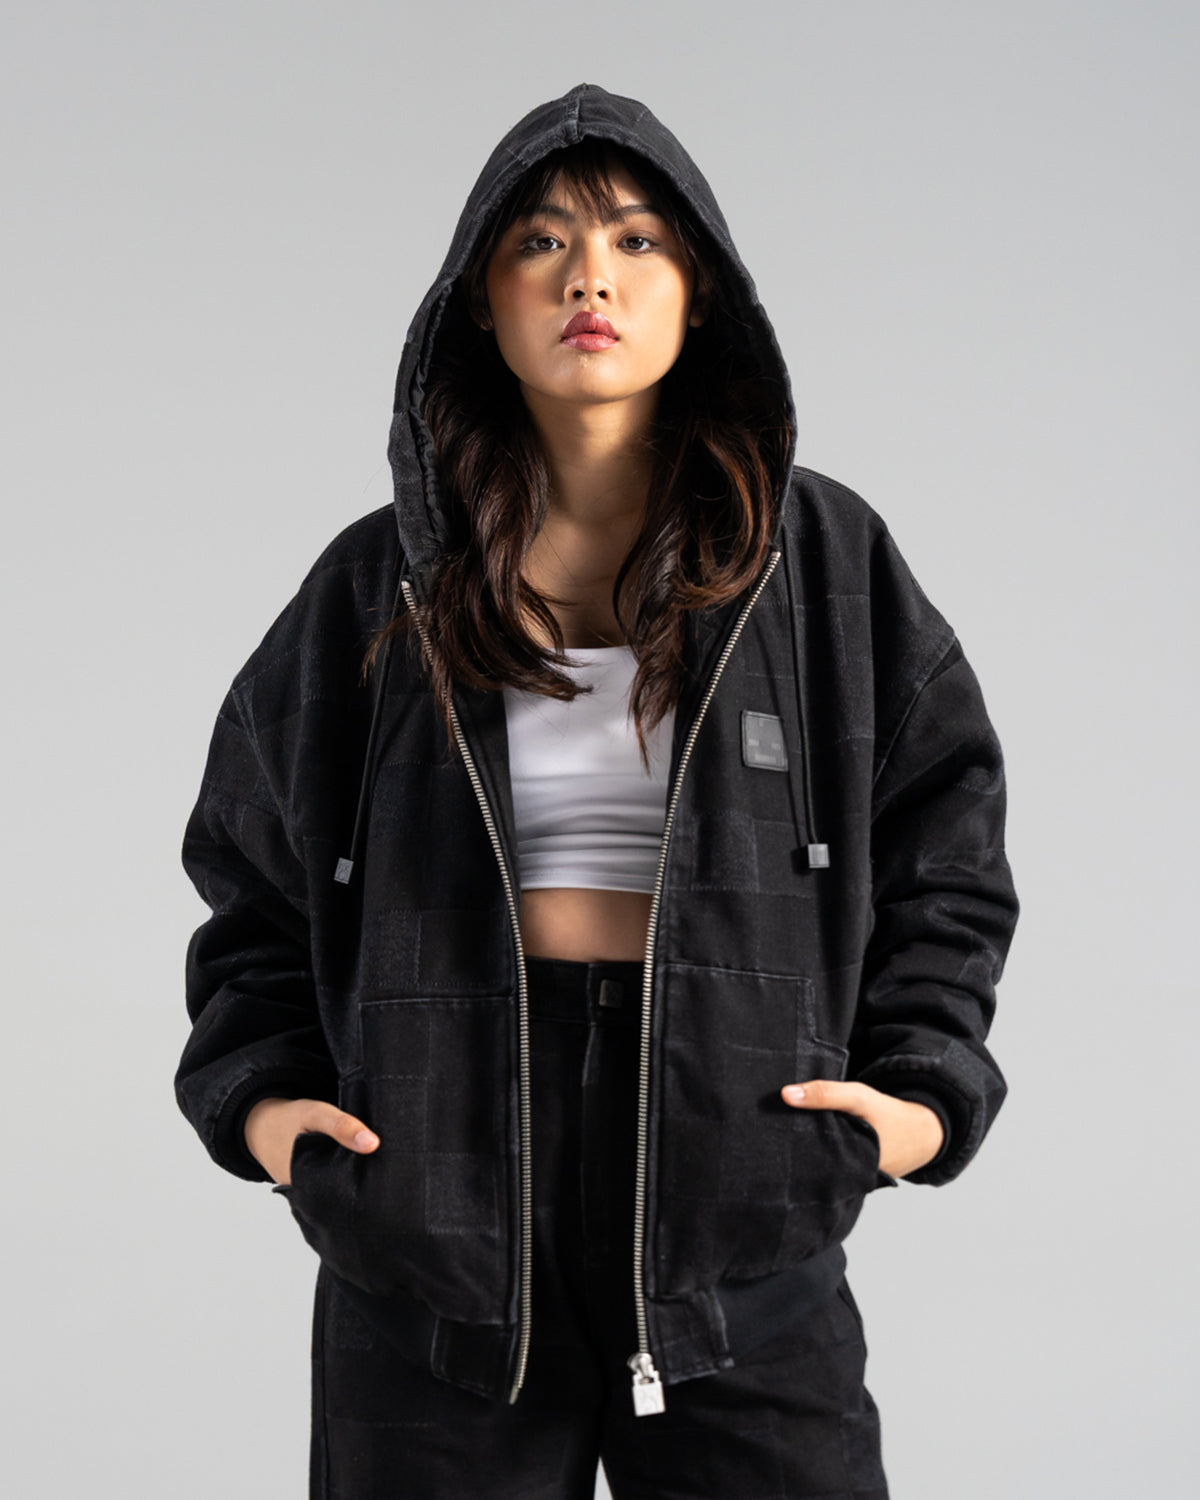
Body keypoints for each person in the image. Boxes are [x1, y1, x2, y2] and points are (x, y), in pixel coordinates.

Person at [175, 82, 1019, 1499]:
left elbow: (949, 845)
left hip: (740, 1191)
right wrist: (266, 1108)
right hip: (434, 1218)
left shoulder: (821, 563)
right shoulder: (375, 585)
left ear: (702, 291)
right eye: (541, 243)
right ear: (479, 301)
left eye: (635, 240)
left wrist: (917, 1097)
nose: (589, 278)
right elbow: (251, 867)